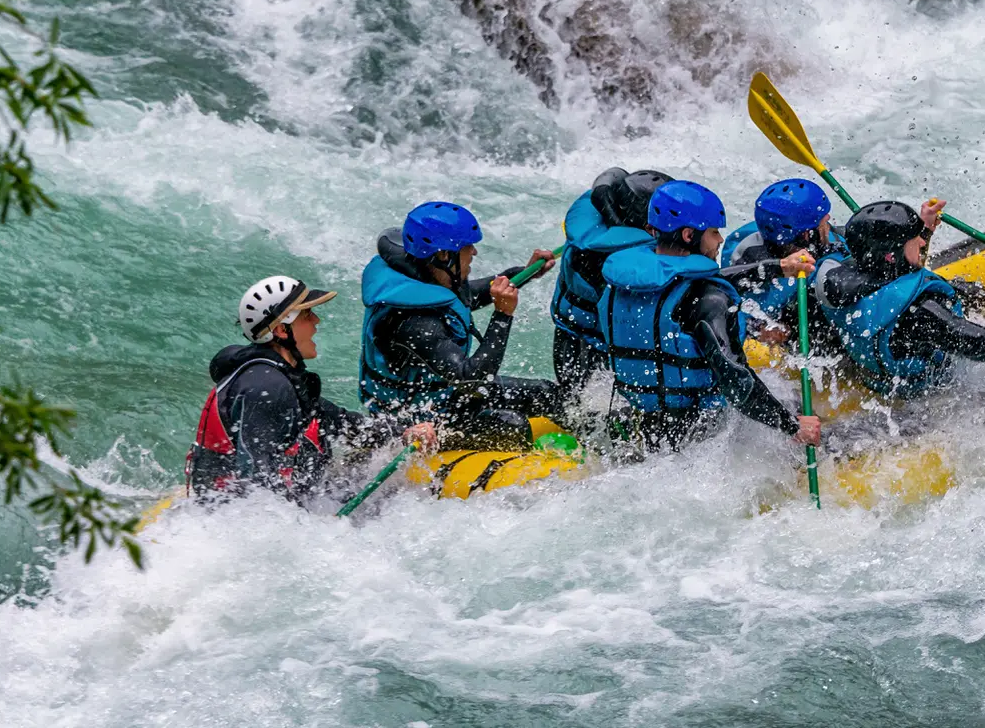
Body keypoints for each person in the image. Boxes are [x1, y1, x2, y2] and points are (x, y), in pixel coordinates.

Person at [597, 179, 823, 451]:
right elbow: (736, 382)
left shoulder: (620, 285)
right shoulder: (709, 299)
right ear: (689, 235)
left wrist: (778, 266)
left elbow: (690, 277)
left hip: (641, 427)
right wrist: (792, 426)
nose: (719, 241)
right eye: (714, 232)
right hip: (700, 439)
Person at [188, 275, 435, 500]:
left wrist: (403, 432)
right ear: (281, 330)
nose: (316, 321)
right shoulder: (265, 387)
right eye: (307, 315)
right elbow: (257, 485)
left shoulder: (283, 377)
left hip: (282, 503)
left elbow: (341, 423)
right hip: (231, 518)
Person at [815, 199, 985, 398]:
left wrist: (924, 228)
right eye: (914, 239)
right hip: (922, 390)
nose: (921, 242)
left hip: (874, 376)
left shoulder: (838, 277)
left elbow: (896, 276)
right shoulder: (923, 312)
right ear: (891, 256)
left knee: (971, 292)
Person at [359, 201, 565, 448]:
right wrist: (502, 316)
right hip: (416, 422)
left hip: (442, 395)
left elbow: (472, 294)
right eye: (467, 247)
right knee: (512, 425)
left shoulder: (428, 274)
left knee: (547, 393)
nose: (474, 252)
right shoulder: (415, 322)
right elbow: (471, 379)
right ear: (444, 255)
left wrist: (525, 273)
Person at [550, 167, 674, 402]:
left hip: (571, 339)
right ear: (649, 227)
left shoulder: (596, 224)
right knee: (586, 408)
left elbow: (611, 176)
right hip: (586, 353)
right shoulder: (613, 264)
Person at [720, 177, 844, 344]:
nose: (829, 220)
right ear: (807, 234)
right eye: (824, 220)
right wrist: (758, 328)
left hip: (794, 303)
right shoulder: (750, 257)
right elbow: (729, 305)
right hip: (774, 318)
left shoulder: (824, 240)